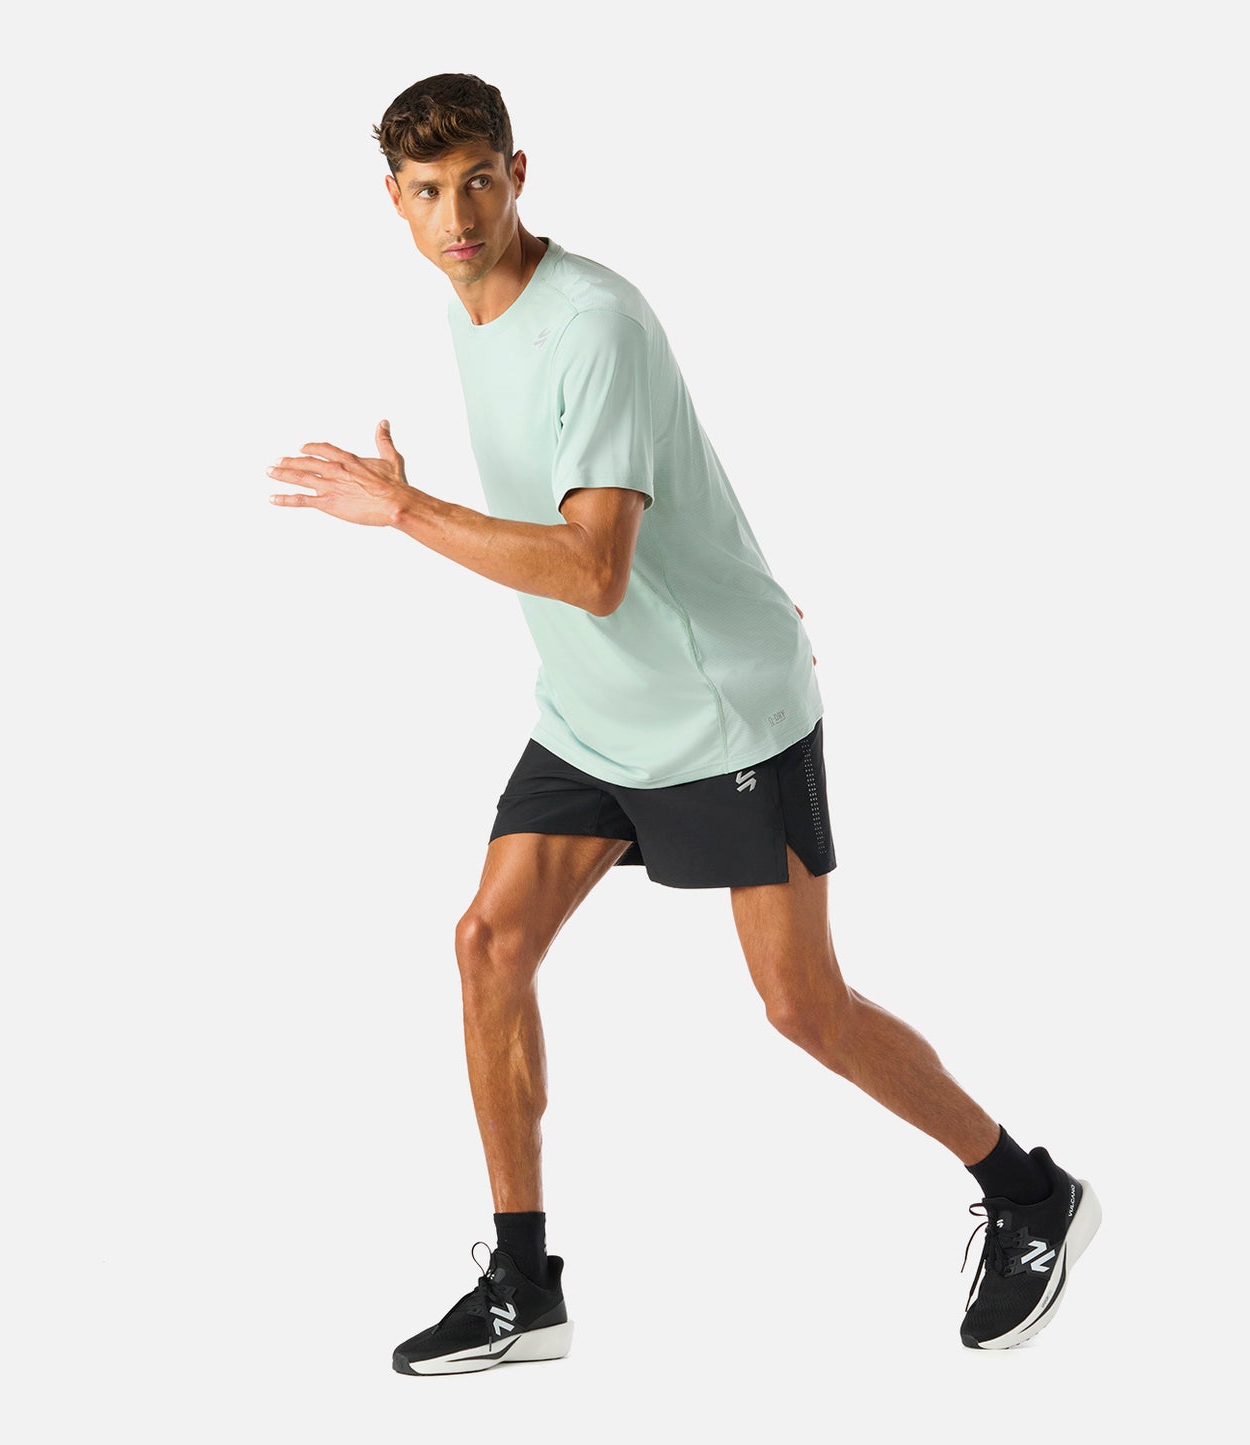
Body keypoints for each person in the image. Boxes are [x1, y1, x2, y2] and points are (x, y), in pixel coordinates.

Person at [267, 72, 1100, 1375]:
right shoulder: (467, 307)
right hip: (592, 710)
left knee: (801, 1006)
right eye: (427, 192)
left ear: (519, 173)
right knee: (487, 944)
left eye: (477, 181)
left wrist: (407, 511)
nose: (457, 217)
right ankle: (523, 1286)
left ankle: (1030, 1191)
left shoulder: (591, 323)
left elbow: (595, 568)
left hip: (719, 714)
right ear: (394, 201)